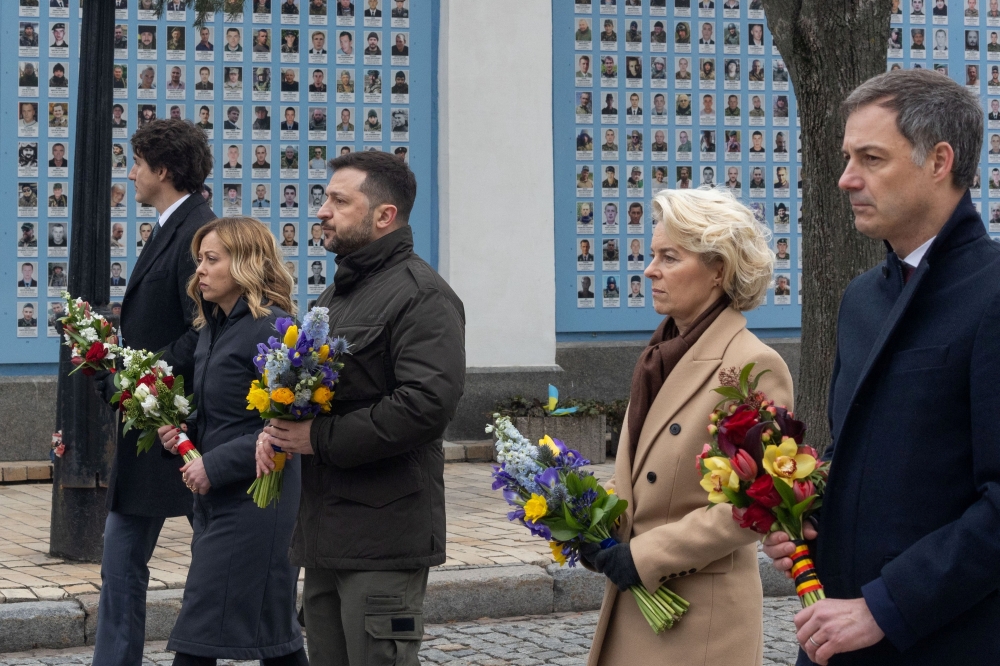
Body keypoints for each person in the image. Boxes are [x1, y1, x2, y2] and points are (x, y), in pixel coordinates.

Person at [763, 68, 1000, 665]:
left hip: (947, 640)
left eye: (871, 158)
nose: (846, 179)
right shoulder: (861, 297)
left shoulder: (993, 292)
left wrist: (885, 606)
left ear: (939, 161)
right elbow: (873, 459)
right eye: (848, 157)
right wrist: (800, 510)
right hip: (836, 637)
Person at [255, 150, 466, 666]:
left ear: (384, 215)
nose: (322, 210)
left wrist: (317, 440)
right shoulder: (339, 293)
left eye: (338, 200)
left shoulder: (422, 296)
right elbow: (318, 390)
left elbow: (426, 404)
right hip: (328, 533)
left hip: (384, 535)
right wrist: (280, 427)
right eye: (326, 198)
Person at [583, 186, 791, 666]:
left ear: (718, 269)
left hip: (699, 621)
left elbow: (760, 500)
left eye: (669, 257)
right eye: (654, 255)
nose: (649, 269)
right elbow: (644, 476)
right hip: (636, 605)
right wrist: (585, 517)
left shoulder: (752, 363)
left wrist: (645, 555)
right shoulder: (660, 354)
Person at [153, 218, 307, 666]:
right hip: (221, 500)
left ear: (245, 265)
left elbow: (283, 428)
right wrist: (184, 434)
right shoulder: (213, 328)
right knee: (275, 634)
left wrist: (212, 466)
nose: (199, 270)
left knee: (199, 632)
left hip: (257, 504)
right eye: (199, 260)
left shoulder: (274, 329)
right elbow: (224, 412)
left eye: (211, 259)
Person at [91, 119, 215, 666]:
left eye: (137, 163)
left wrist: (145, 372)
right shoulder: (173, 223)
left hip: (186, 425)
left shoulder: (201, 232)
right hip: (151, 419)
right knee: (120, 557)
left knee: (221, 551)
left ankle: (272, 645)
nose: (131, 173)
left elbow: (205, 327)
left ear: (162, 171)